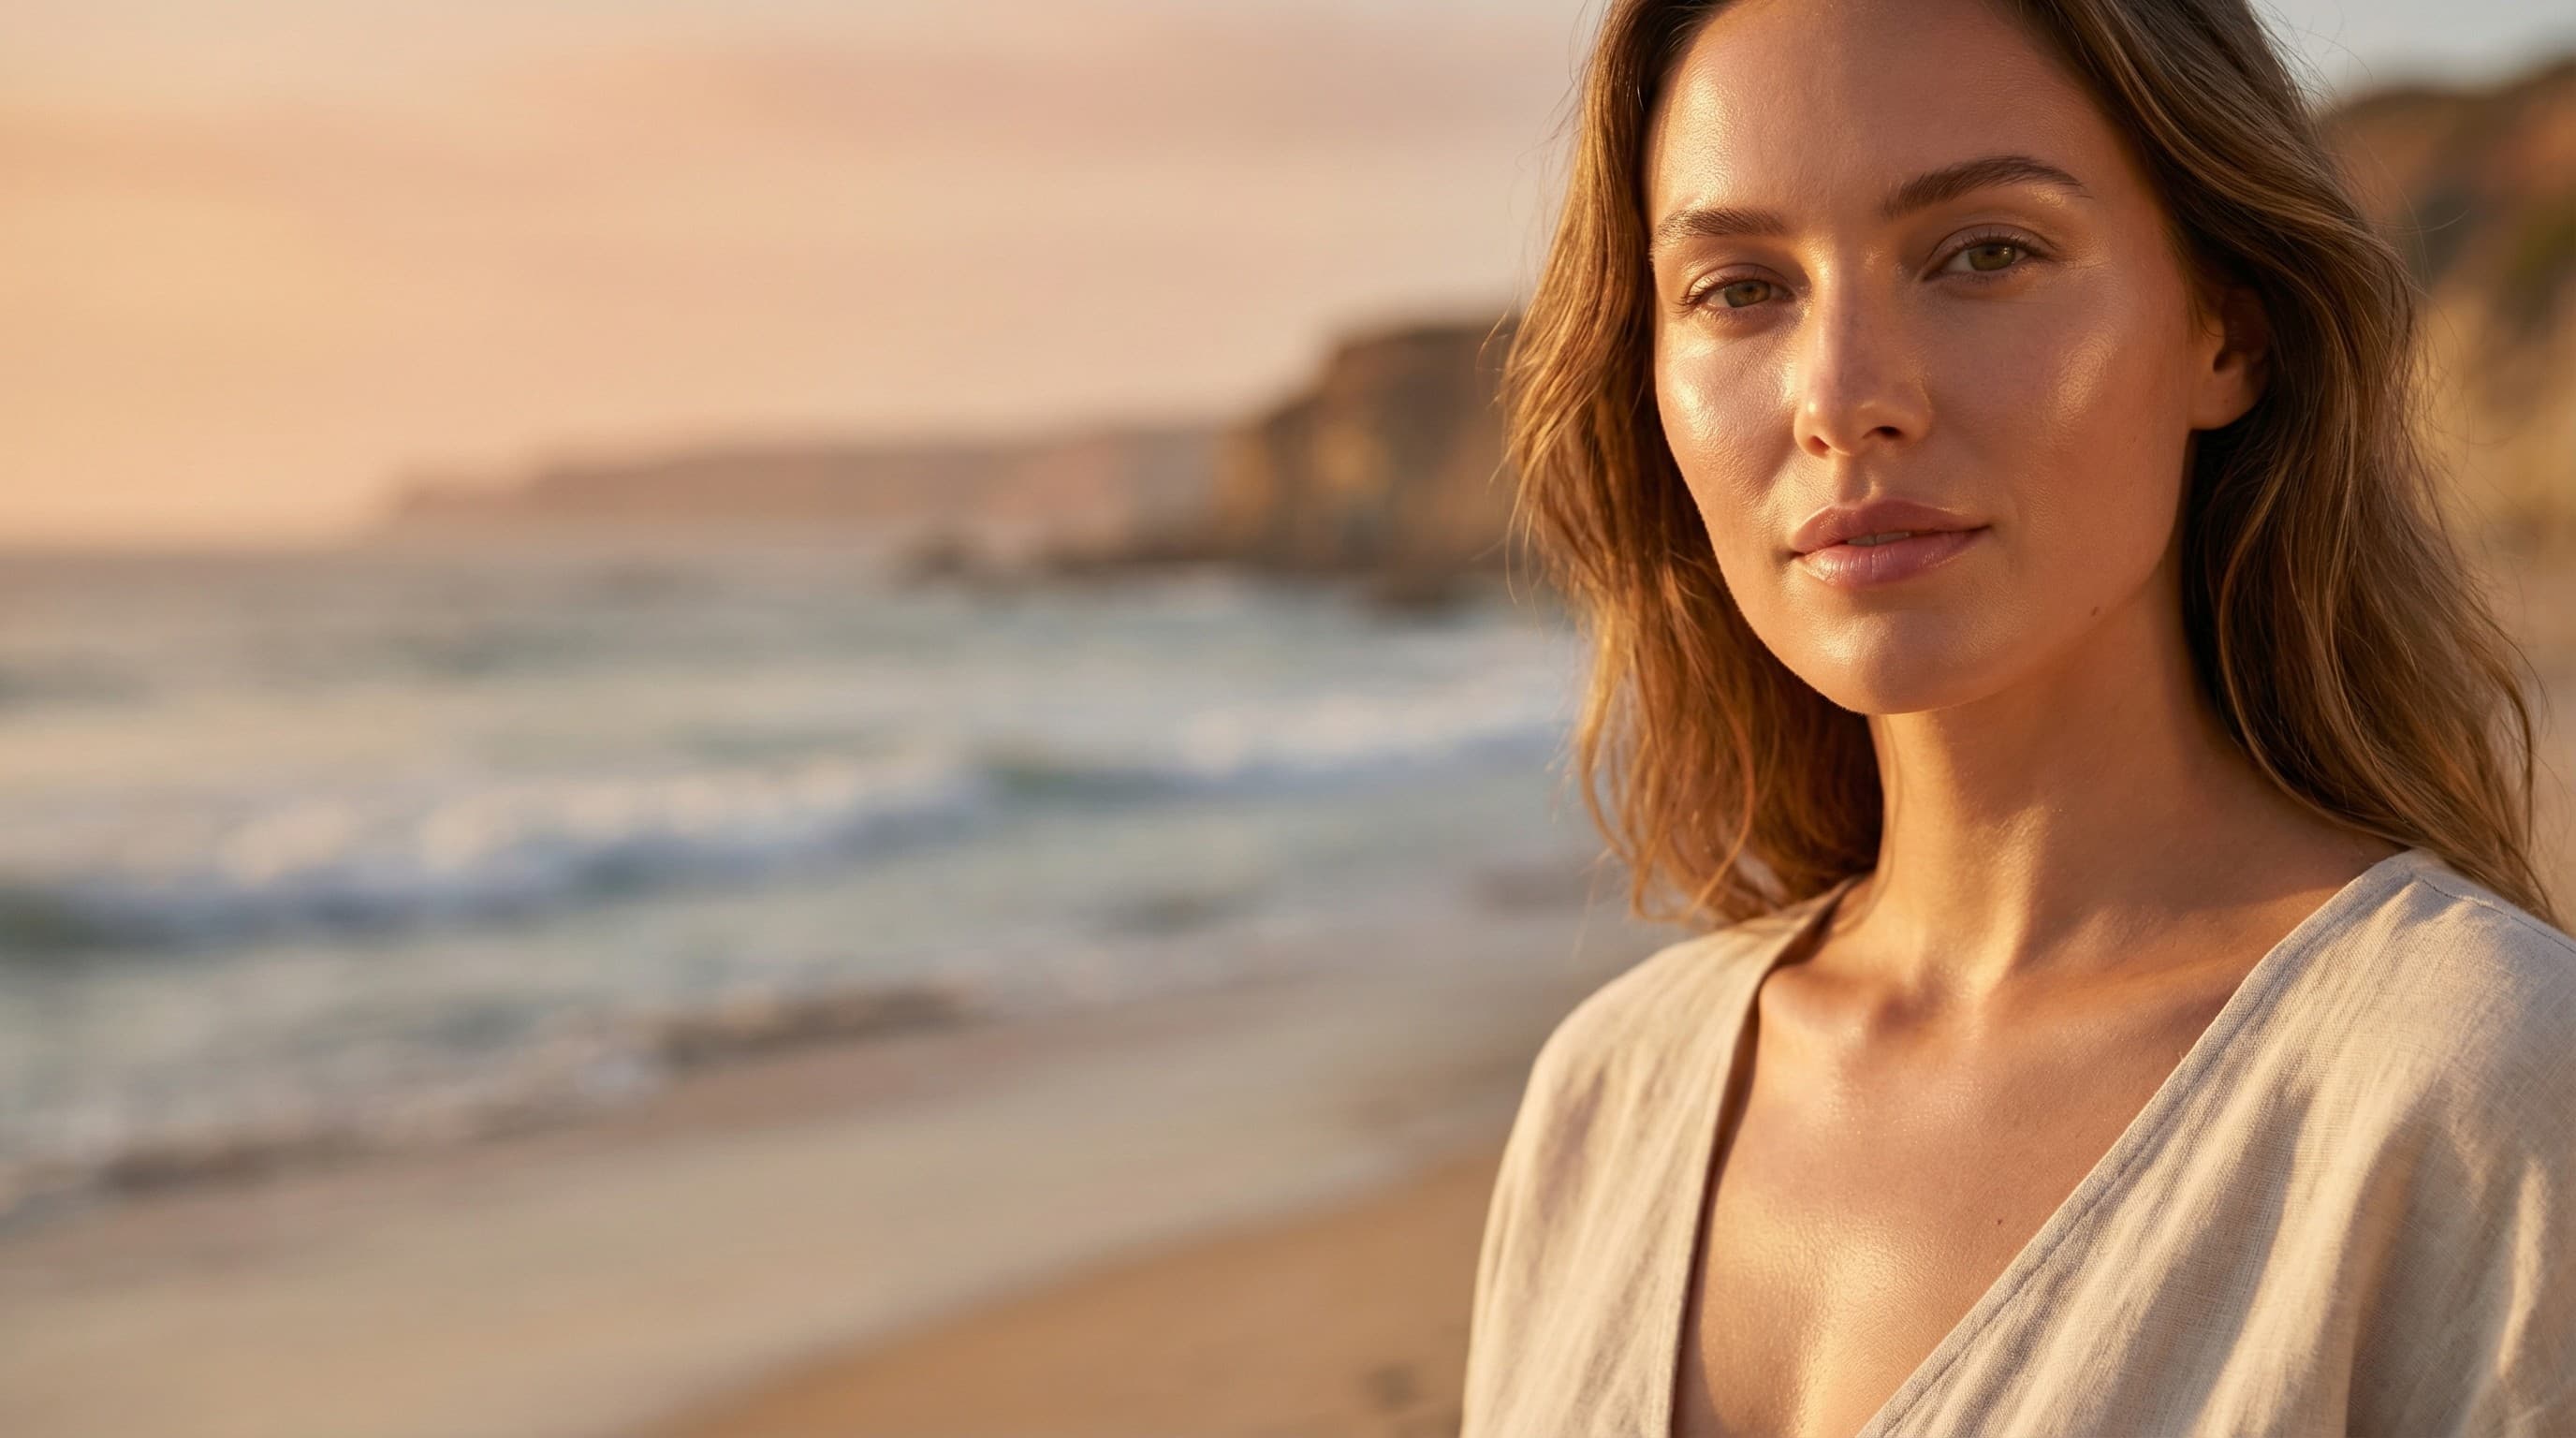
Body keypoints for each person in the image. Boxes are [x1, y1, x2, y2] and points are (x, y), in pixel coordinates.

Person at [1459, 0, 2576, 1434]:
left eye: (1985, 253)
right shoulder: (1607, 1101)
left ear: (2225, 328)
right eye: (1740, 288)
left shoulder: (2478, 1095)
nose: (1845, 398)